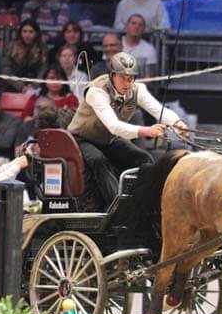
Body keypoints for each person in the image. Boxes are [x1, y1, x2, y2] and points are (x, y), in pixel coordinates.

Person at [68, 52, 187, 207]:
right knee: (99, 161)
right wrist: (146, 131)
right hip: (82, 139)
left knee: (143, 159)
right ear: (112, 75)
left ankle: (147, 203)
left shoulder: (138, 90)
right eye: (122, 77)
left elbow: (158, 110)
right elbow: (114, 126)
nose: (127, 83)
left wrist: (177, 123)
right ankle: (117, 208)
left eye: (130, 78)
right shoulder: (96, 91)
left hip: (108, 138)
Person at [0, 20, 48, 94]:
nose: (27, 35)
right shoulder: (11, 48)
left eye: (31, 32)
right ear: (20, 33)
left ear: (36, 33)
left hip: (35, 88)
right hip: (12, 86)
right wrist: (22, 87)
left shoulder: (43, 49)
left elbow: (43, 72)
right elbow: (6, 72)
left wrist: (33, 87)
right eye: (24, 31)